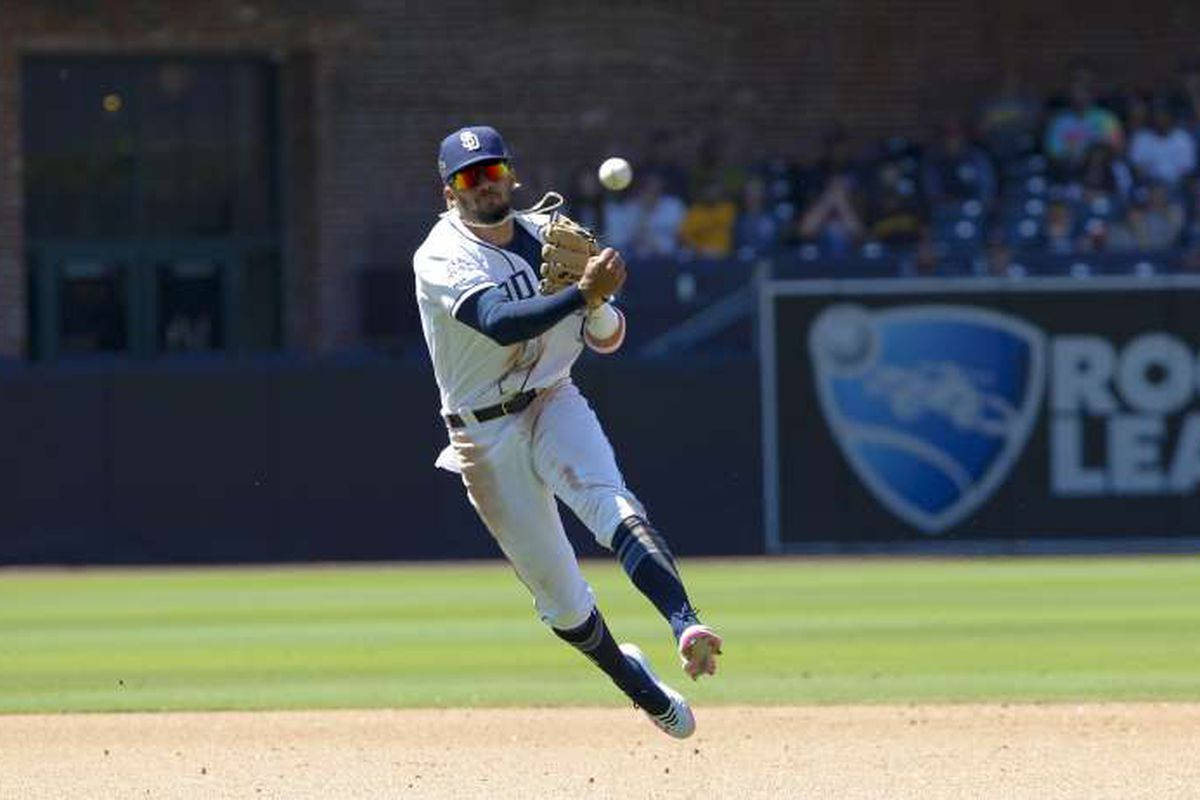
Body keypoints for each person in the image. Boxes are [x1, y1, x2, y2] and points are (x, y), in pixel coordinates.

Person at [412, 125, 723, 739]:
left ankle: (685, 622)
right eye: (471, 178)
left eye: (494, 171)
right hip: (483, 434)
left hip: (554, 397)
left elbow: (608, 339)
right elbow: (498, 322)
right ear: (450, 191)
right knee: (561, 598)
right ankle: (635, 681)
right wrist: (581, 293)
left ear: (512, 176)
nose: (486, 186)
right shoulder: (439, 254)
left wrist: (598, 300)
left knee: (612, 505)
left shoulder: (550, 237)